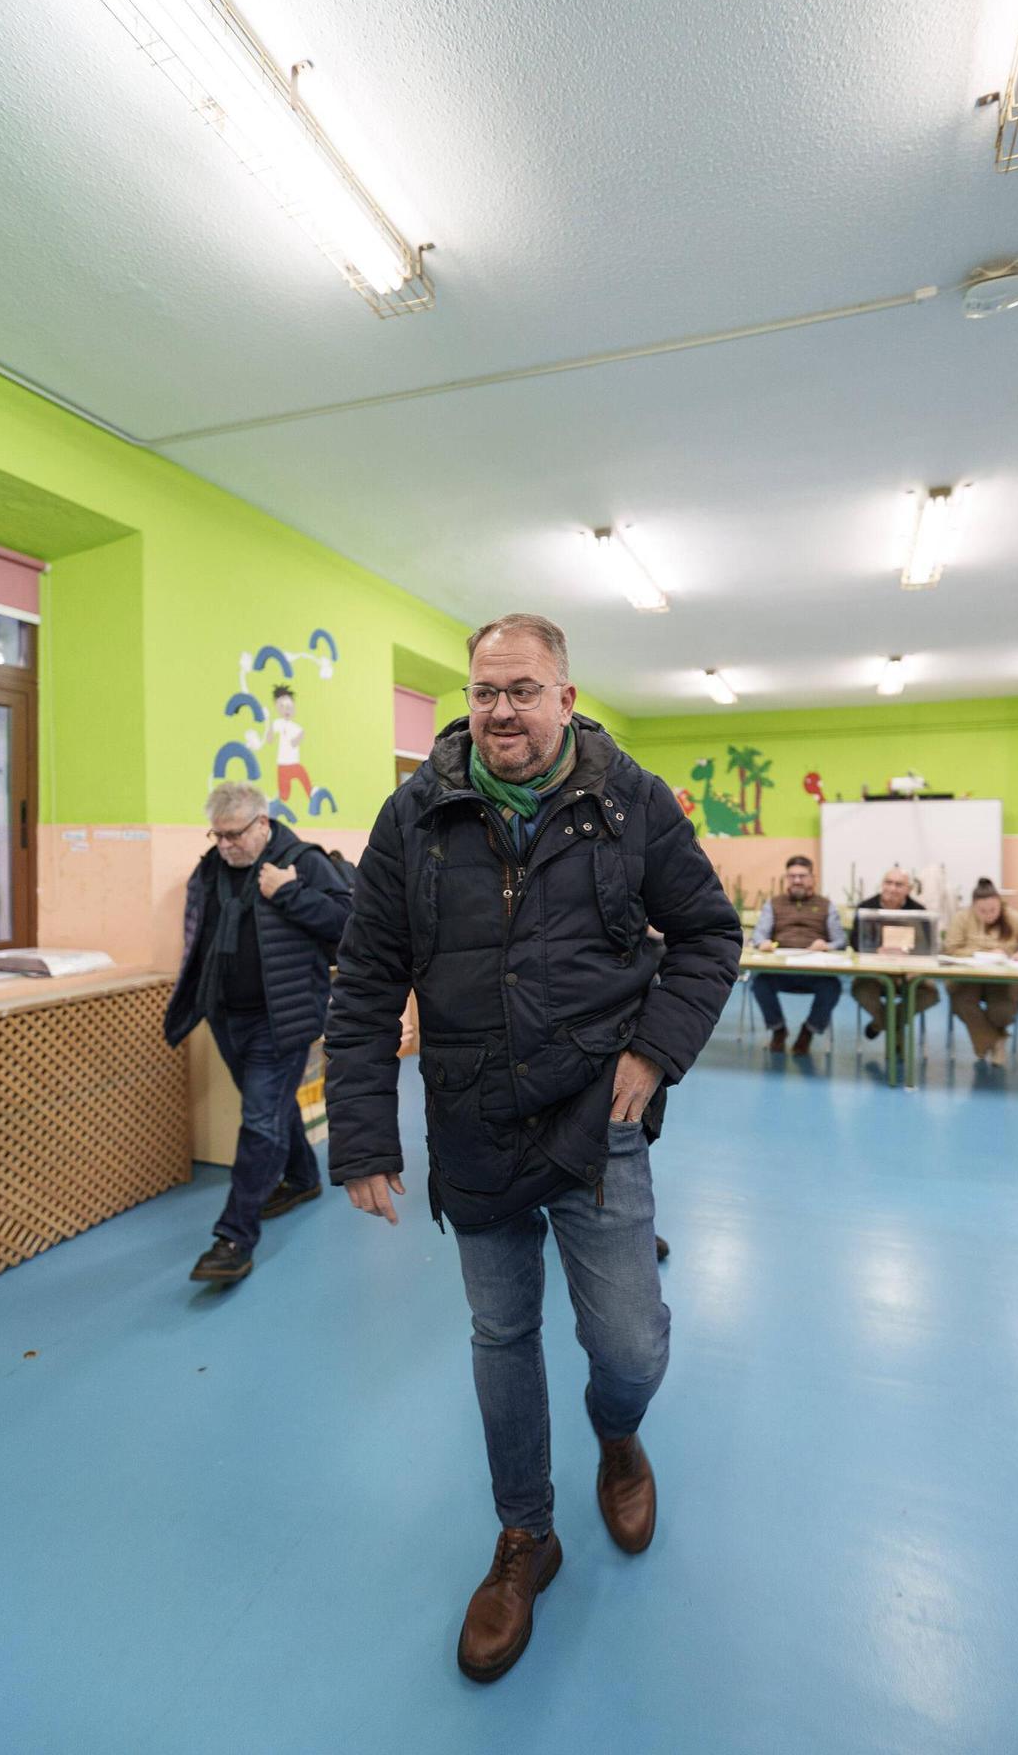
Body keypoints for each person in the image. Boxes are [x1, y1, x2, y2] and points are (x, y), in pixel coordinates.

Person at [325, 613, 739, 1683]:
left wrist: (654, 1054)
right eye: (482, 691)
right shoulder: (411, 817)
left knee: (631, 1346)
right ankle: (525, 1536)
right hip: (470, 1122)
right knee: (502, 1333)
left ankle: (617, 1432)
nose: (499, 710)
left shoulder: (629, 801)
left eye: (521, 688)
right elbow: (368, 977)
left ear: (564, 694)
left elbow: (708, 934)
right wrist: (366, 1130)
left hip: (598, 1123)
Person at [165, 781, 352, 1283]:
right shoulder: (211, 868)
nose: (224, 845)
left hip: (281, 1017)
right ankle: (303, 1177)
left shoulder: (303, 861)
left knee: (259, 1121)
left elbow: (349, 923)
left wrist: (289, 893)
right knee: (269, 1106)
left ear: (263, 825)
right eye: (217, 835)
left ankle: (234, 1238)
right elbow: (198, 936)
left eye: (234, 835)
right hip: (226, 1015)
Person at [748, 855, 846, 1055]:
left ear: (812, 878)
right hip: (780, 969)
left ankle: (808, 1031)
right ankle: (778, 1029)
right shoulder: (773, 904)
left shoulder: (827, 905)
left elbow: (841, 941)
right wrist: (762, 942)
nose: (797, 880)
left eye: (802, 876)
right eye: (792, 876)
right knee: (760, 984)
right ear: (786, 878)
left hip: (815, 972)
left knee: (833, 987)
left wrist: (826, 945)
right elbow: (759, 934)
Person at [943, 878, 1018, 1066]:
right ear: (973, 906)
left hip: (1004, 978)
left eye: (993, 910)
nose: (989, 915)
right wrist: (979, 953)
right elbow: (950, 948)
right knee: (962, 1001)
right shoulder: (961, 918)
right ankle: (996, 1041)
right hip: (968, 977)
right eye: (982, 911)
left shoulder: (1012, 917)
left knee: (1002, 1012)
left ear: (1000, 905)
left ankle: (988, 1041)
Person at [848, 866, 939, 1042]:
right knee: (860, 990)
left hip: (908, 972)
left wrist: (910, 956)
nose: (892, 888)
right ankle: (895, 1031)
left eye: (899, 884)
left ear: (908, 889)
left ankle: (880, 1024)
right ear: (882, 884)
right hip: (873, 972)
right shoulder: (865, 907)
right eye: (888, 882)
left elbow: (926, 946)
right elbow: (855, 942)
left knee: (930, 994)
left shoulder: (919, 911)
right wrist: (876, 952)